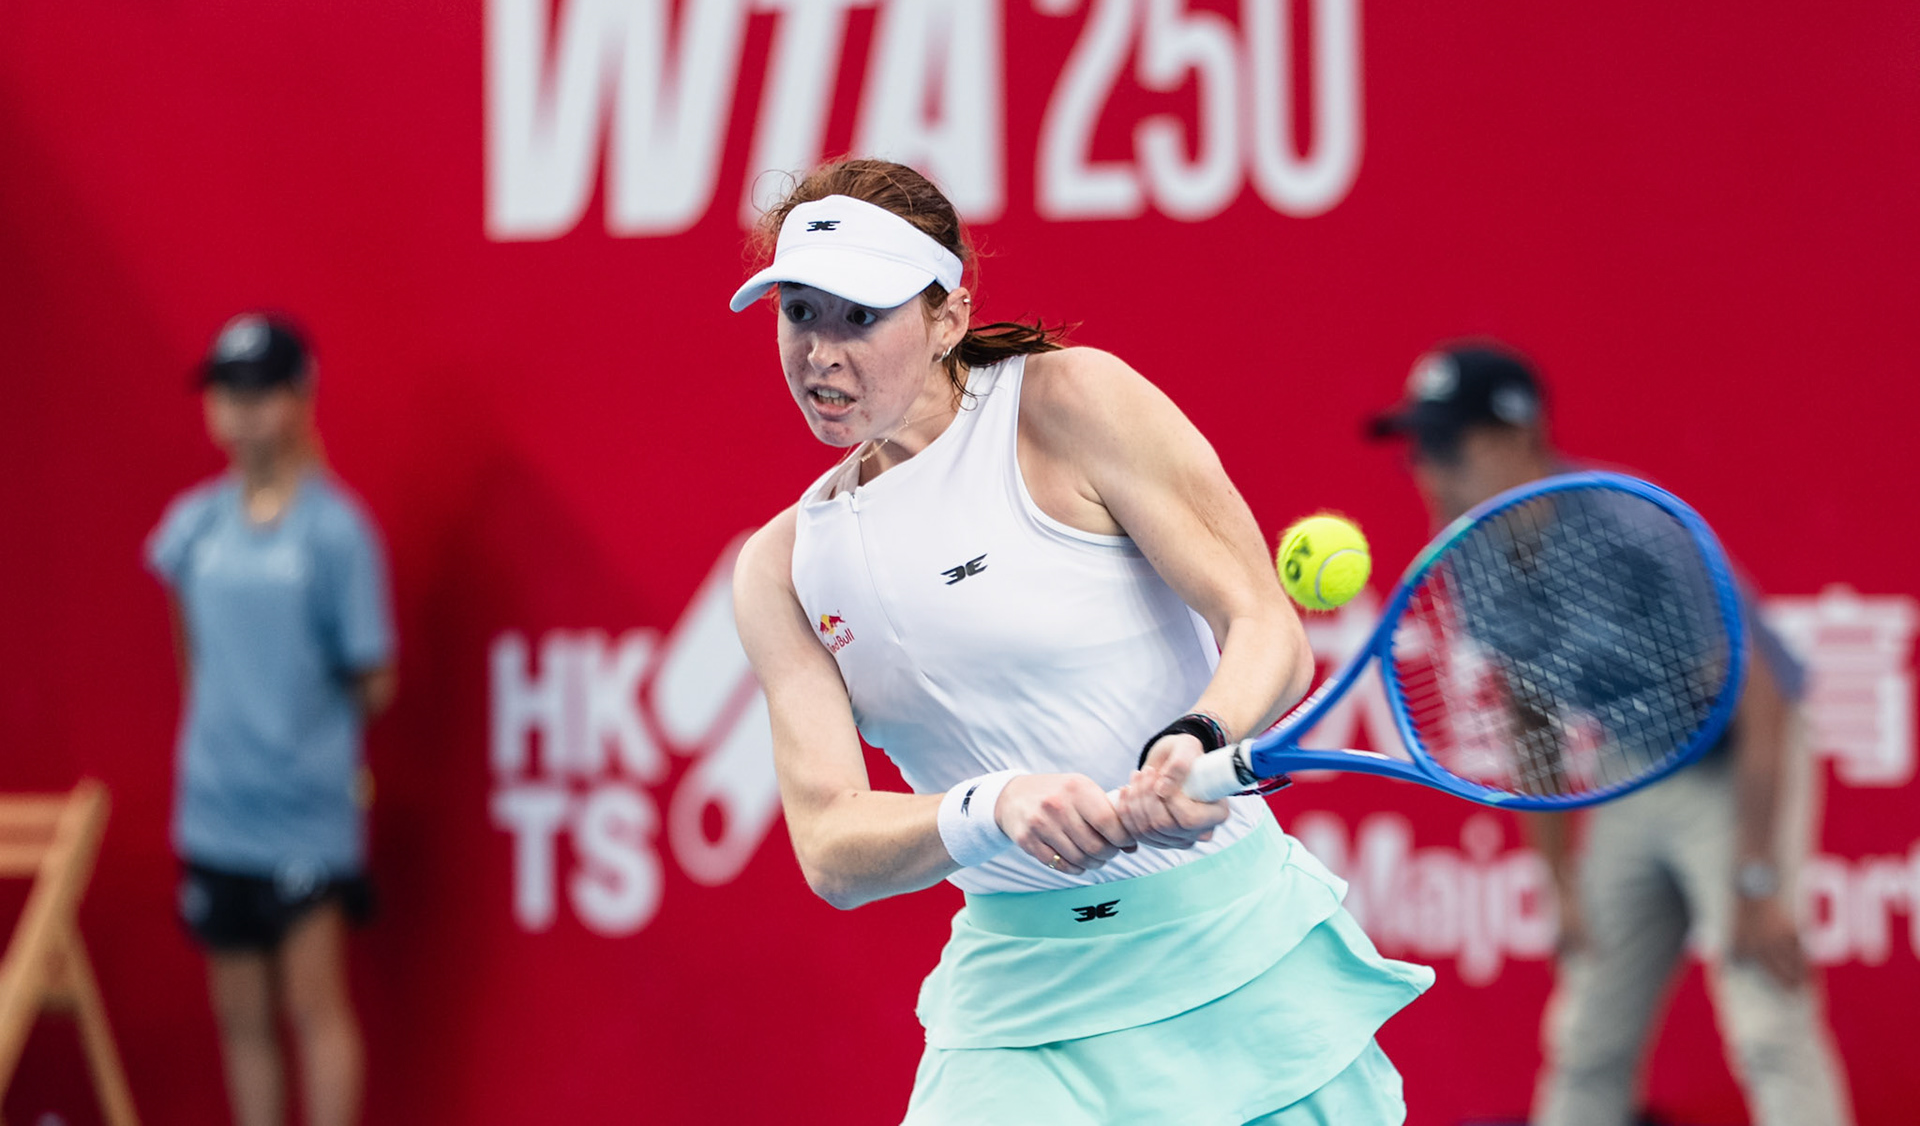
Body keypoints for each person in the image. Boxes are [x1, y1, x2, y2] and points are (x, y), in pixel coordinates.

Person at [729, 158, 1432, 1125]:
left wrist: (1197, 735)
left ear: (947, 317)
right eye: (800, 311)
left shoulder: (1069, 404)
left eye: (862, 316)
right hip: (1021, 1008)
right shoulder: (782, 571)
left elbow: (1265, 623)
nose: (822, 353)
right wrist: (992, 807)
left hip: (1237, 953)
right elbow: (830, 848)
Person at [1365, 341, 1854, 1126]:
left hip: (1737, 763)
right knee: (1587, 1033)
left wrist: (1758, 880)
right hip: (1632, 767)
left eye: (1447, 447)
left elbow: (1761, 701)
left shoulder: (1635, 528)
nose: (1430, 471)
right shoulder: (1469, 556)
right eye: (1419, 451)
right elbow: (1530, 720)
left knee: (1768, 1021)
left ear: (1518, 440)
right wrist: (1561, 883)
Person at [145, 313, 395, 1126]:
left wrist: (299, 733)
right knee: (240, 1014)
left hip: (303, 815)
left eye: (260, 390)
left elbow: (374, 676)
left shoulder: (336, 533)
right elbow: (192, 653)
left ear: (299, 397)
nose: (242, 410)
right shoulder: (193, 529)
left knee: (313, 1004)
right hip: (217, 809)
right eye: (227, 391)